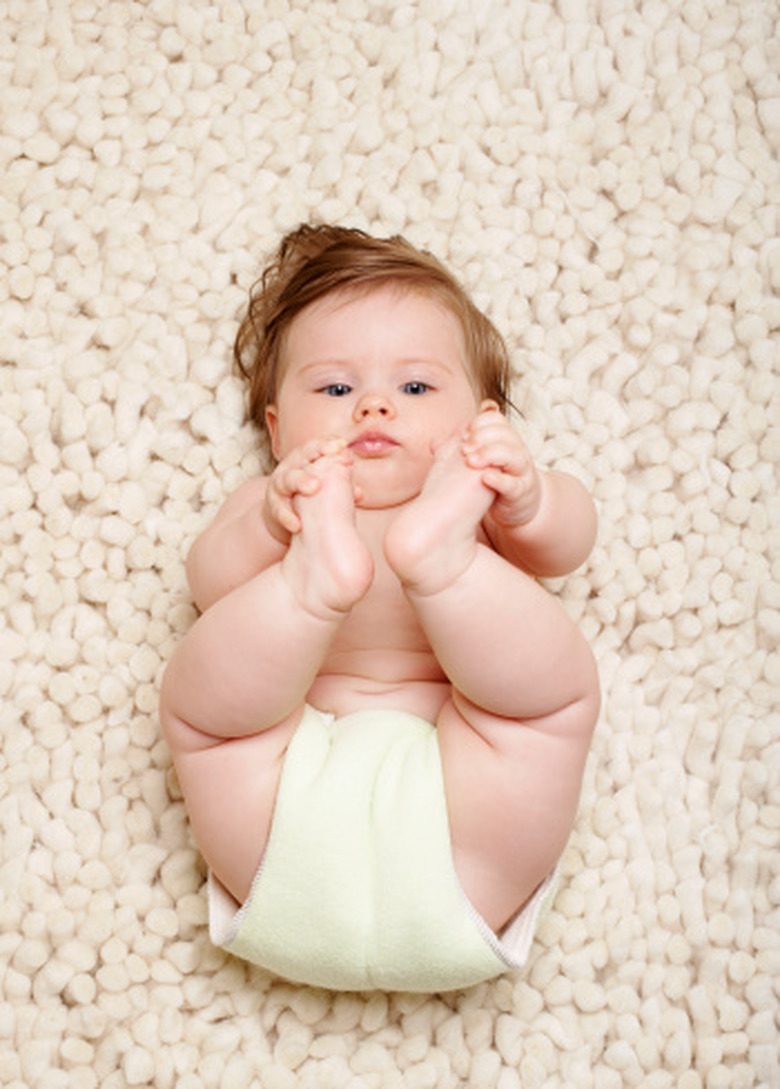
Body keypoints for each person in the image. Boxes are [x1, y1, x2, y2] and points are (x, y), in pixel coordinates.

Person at [159, 224, 600, 992]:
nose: (373, 407)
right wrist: (272, 526)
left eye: (416, 388)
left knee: (541, 703)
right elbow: (209, 581)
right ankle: (320, 588)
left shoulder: (481, 502)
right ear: (276, 429)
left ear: (482, 422)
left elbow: (568, 542)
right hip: (287, 814)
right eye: (334, 389)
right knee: (208, 708)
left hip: (461, 812)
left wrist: (530, 501)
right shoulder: (275, 505)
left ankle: (431, 569)